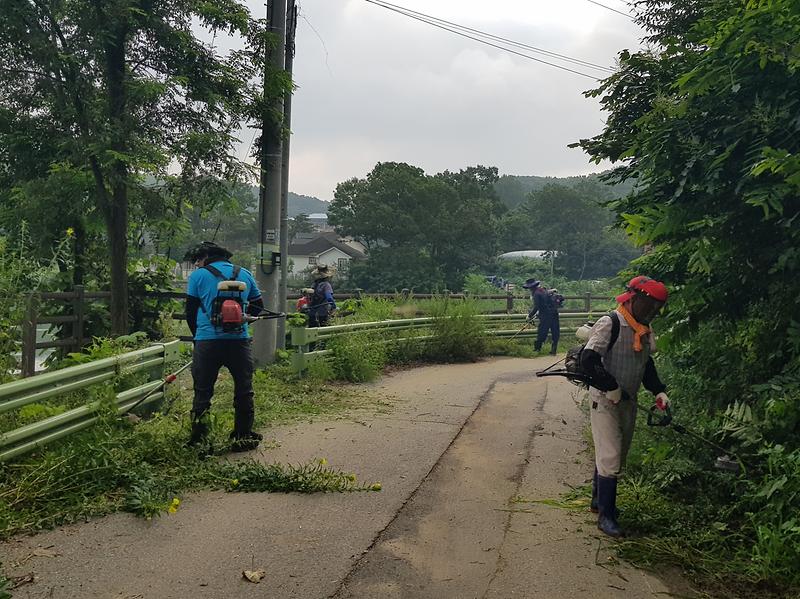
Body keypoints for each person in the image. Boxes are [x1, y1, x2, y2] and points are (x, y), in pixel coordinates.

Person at [580, 275, 670, 537]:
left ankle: (599, 501)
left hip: (628, 400)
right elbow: (589, 359)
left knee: (618, 453)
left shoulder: (644, 329)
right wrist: (610, 385)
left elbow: (646, 364)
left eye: (656, 307)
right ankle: (607, 517)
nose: (651, 311)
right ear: (633, 299)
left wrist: (659, 390)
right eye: (648, 305)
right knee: (610, 455)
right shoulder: (610, 323)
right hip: (604, 399)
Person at [184, 241, 265, 453]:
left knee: (202, 392)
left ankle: (199, 439)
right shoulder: (244, 274)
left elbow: (190, 311)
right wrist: (242, 320)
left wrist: (198, 337)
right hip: (239, 342)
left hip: (207, 342)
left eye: (199, 259)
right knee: (244, 389)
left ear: (206, 257)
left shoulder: (198, 276)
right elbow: (259, 307)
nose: (198, 262)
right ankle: (242, 436)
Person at [524, 278, 559, 355]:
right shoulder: (543, 290)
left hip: (546, 315)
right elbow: (544, 303)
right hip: (554, 313)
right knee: (555, 331)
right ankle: (553, 350)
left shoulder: (536, 294)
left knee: (542, 332)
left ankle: (537, 349)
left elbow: (537, 306)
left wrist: (529, 316)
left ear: (531, 287)